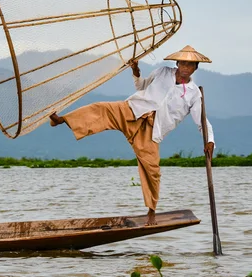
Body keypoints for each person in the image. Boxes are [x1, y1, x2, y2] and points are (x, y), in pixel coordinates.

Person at [49, 45, 215, 225]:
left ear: (195, 68)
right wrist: (136, 71)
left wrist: (209, 140)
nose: (185, 67)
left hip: (152, 129)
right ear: (177, 63)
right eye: (183, 63)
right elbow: (141, 85)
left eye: (190, 65)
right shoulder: (163, 72)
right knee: (101, 109)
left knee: (152, 170)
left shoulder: (194, 94)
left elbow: (202, 121)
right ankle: (63, 120)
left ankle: (151, 212)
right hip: (134, 110)